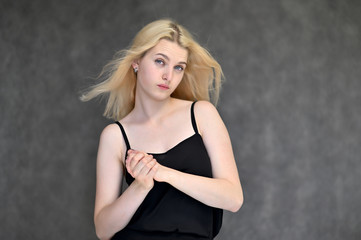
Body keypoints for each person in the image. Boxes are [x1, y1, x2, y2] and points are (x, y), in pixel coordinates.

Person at [81, 19, 243, 240]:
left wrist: (163, 173)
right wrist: (140, 186)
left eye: (178, 67)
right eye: (160, 62)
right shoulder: (116, 136)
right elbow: (103, 229)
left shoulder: (202, 115)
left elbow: (233, 198)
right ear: (136, 62)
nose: (169, 76)